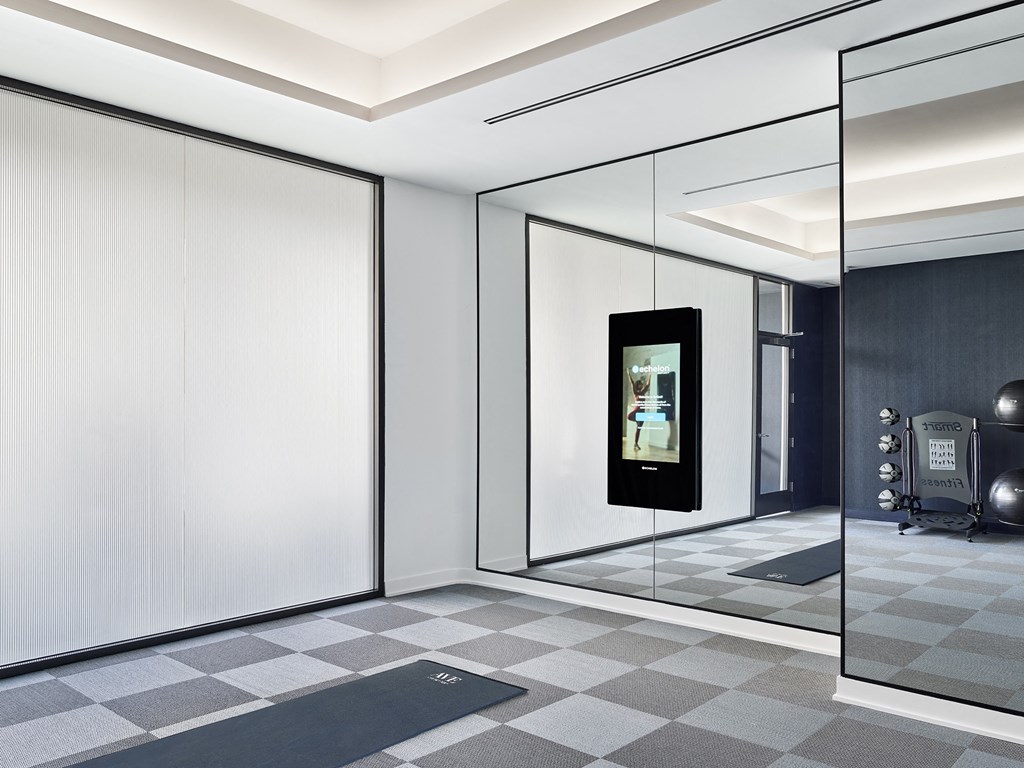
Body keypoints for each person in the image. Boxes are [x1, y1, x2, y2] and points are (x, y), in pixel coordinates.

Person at [626, 367, 651, 451]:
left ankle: (636, 444)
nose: (641, 385)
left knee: (639, 429)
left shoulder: (643, 392)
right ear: (637, 385)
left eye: (641, 384)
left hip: (642, 413)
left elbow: (648, 385)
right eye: (639, 384)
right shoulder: (635, 392)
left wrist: (649, 374)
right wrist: (629, 374)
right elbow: (632, 383)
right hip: (636, 412)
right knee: (629, 416)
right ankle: (635, 444)